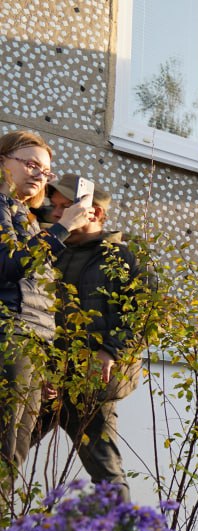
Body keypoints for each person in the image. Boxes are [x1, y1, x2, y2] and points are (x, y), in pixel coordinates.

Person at [30, 175, 144, 500]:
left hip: (90, 382)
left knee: (106, 471)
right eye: (55, 207)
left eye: (66, 208)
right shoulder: (51, 251)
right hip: (46, 380)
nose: (57, 214)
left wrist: (110, 351)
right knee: (6, 453)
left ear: (94, 213)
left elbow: (142, 315)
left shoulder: (123, 259)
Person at [0, 131, 92, 503]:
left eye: (46, 170)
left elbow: (41, 293)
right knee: (5, 449)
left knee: (14, 453)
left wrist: (47, 361)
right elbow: (8, 265)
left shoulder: (25, 217)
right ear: (3, 161)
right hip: (10, 335)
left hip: (30, 343)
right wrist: (63, 227)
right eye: (31, 163)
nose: (40, 174)